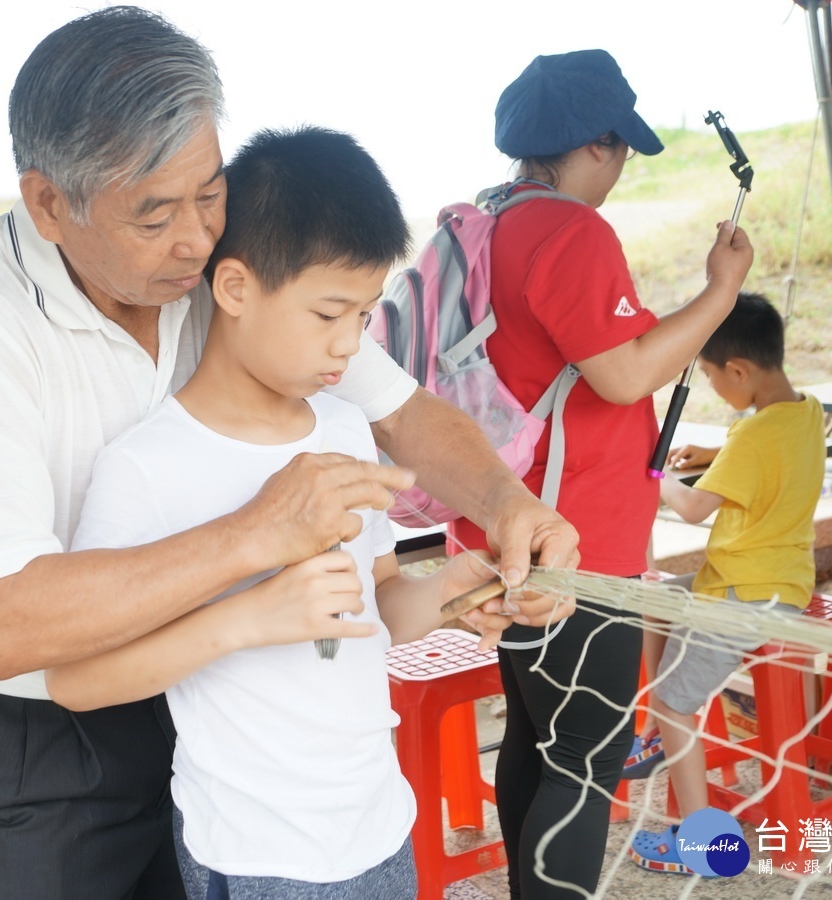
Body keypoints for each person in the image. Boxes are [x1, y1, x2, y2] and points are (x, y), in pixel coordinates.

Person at [0, 8, 578, 899]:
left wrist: (505, 507)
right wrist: (259, 541)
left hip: (219, 735)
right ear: (49, 203)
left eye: (208, 191)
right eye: (155, 215)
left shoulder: (233, 270)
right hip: (41, 734)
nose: (196, 236)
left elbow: (401, 415)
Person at [46, 124, 517, 899]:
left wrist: (453, 593)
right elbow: (76, 679)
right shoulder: (146, 467)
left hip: (379, 824)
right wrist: (251, 617)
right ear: (234, 289)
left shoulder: (342, 428)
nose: (348, 347)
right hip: (259, 853)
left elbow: (370, 607)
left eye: (364, 317)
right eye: (328, 313)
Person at [446, 50, 754, 897]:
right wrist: (719, 293)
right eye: (620, 151)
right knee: (587, 755)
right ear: (596, 144)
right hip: (574, 540)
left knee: (537, 740)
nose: (619, 171)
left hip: (500, 521)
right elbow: (622, 374)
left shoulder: (489, 222)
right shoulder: (571, 231)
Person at [628, 292, 825, 875]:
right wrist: (716, 450)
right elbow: (772, 448)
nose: (714, 388)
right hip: (779, 577)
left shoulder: (751, 439)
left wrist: (654, 469)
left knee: (672, 701)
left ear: (737, 370)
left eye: (712, 378)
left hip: (746, 595)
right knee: (653, 597)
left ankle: (699, 845)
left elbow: (690, 509)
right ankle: (661, 732)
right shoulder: (806, 409)